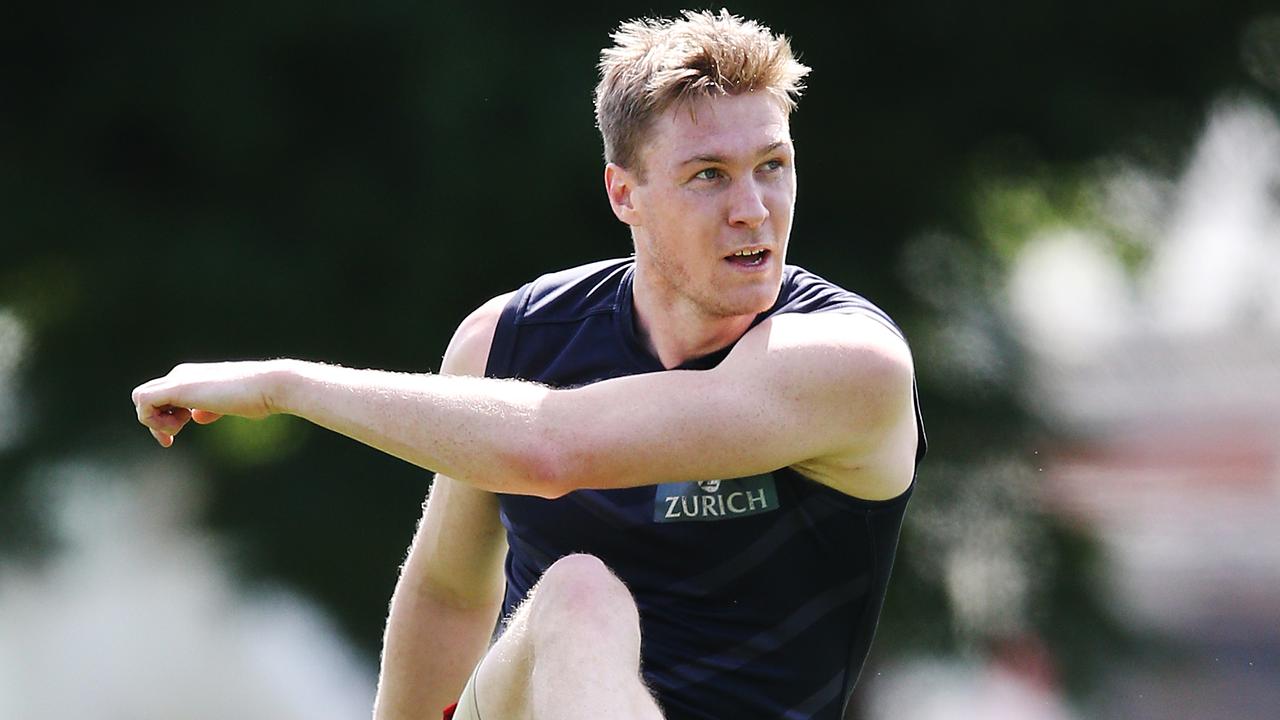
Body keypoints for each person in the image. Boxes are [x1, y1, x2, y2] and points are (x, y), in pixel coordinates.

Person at [131, 9, 926, 720]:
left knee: (580, 591)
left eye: (772, 165)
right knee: (578, 600)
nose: (752, 206)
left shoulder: (849, 363)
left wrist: (286, 386)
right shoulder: (510, 344)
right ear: (625, 195)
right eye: (708, 175)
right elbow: (447, 593)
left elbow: (552, 449)